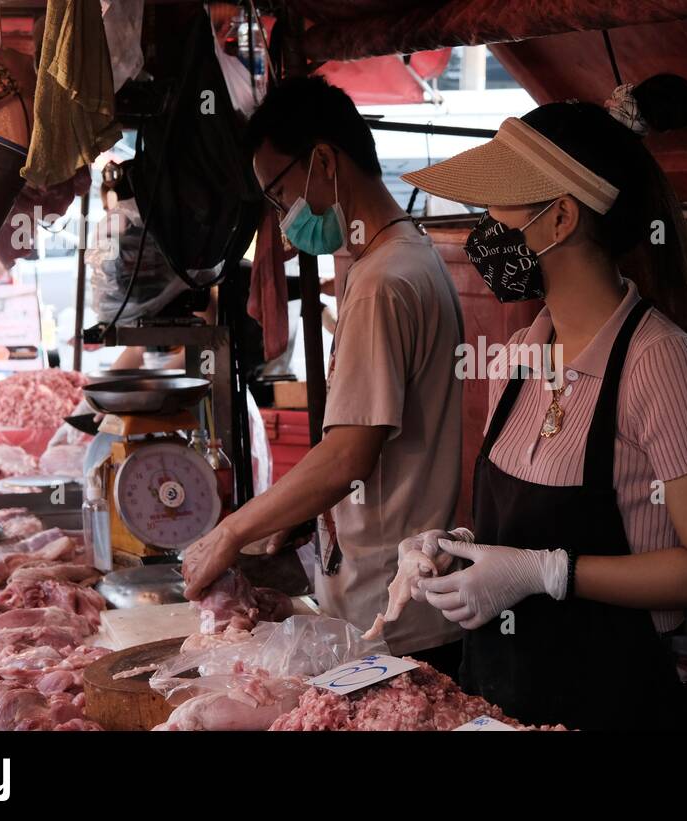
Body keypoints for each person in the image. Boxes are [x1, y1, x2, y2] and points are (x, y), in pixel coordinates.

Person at [397, 75, 687, 730]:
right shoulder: (524, 354)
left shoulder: (663, 364)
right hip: (504, 709)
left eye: (499, 211)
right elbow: (524, 539)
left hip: (615, 707)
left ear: (560, 217)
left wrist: (549, 572)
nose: (484, 232)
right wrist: (460, 552)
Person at [181, 77, 467, 675]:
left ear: (323, 162)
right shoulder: (399, 260)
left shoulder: (384, 282)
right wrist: (301, 521)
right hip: (394, 601)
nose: (283, 218)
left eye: (280, 195)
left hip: (394, 620)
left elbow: (348, 456)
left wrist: (231, 533)